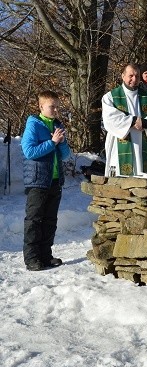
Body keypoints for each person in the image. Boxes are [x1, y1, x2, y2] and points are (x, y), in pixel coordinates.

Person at [21, 90, 70, 271]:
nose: (55, 110)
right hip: (38, 181)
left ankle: (46, 256)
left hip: (55, 180)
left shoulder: (57, 125)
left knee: (50, 220)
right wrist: (52, 142)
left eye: (57, 107)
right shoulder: (34, 125)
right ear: (41, 107)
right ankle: (32, 258)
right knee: (34, 220)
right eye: (52, 106)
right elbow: (29, 152)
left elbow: (65, 156)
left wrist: (62, 142)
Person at [102, 63, 147, 177]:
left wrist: (145, 122)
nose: (134, 79)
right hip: (119, 146)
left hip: (142, 145)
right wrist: (133, 121)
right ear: (123, 76)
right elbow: (110, 119)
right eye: (131, 76)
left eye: (137, 76)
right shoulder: (110, 97)